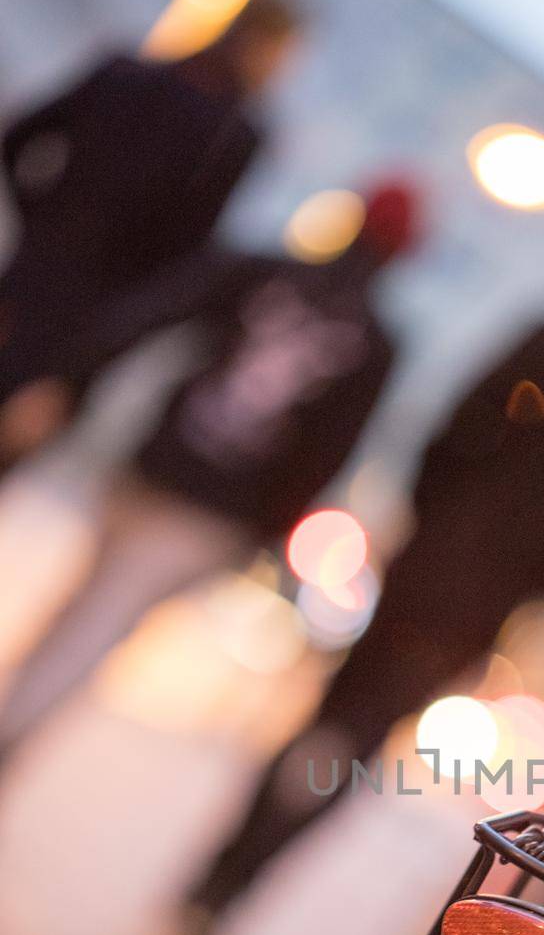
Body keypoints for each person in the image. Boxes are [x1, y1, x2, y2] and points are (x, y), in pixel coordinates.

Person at [178, 257, 544, 935]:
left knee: (334, 715)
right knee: (360, 736)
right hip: (487, 599)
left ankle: (224, 870)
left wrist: (431, 517)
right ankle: (235, 882)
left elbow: (453, 426)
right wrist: (541, 572)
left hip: (429, 560)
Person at [0, 180, 423, 759]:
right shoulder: (378, 343)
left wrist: (70, 381)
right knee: (101, 622)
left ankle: (15, 721)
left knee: (86, 608)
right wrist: (265, 531)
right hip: (215, 513)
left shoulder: (268, 270)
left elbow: (151, 313)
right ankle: (12, 733)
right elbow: (329, 453)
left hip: (159, 466)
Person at [0, 0, 304, 465]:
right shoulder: (233, 137)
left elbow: (19, 140)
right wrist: (72, 377)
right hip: (85, 333)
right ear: (266, 46)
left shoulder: (124, 72)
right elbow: (177, 265)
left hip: (21, 287)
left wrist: (36, 222)